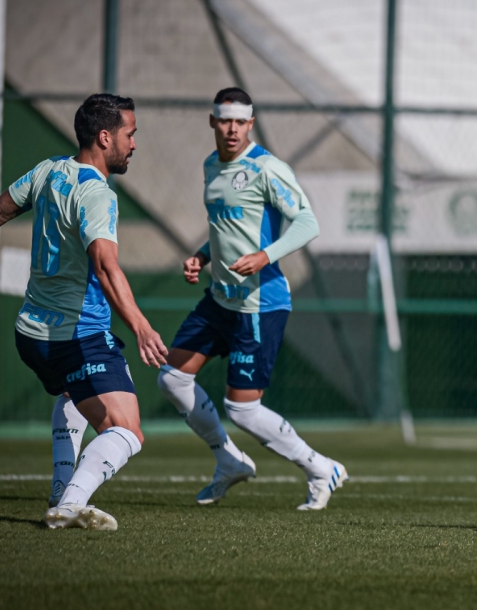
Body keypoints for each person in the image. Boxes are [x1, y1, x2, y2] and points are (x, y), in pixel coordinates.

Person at [0, 93, 169, 530]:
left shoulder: (47, 170)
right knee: (127, 431)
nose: (134, 144)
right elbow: (104, 263)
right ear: (105, 137)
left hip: (30, 334)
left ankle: (61, 490)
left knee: (72, 396)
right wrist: (139, 324)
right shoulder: (97, 194)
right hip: (76, 336)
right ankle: (70, 503)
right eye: (129, 134)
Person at [155, 87, 347, 510]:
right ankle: (228, 460)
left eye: (240, 122)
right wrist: (201, 257)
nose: (232, 129)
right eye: (225, 120)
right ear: (212, 121)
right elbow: (226, 227)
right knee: (172, 378)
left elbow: (307, 223)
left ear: (251, 124)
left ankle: (320, 468)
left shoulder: (267, 168)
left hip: (260, 305)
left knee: (242, 410)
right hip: (219, 300)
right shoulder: (210, 166)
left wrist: (265, 256)